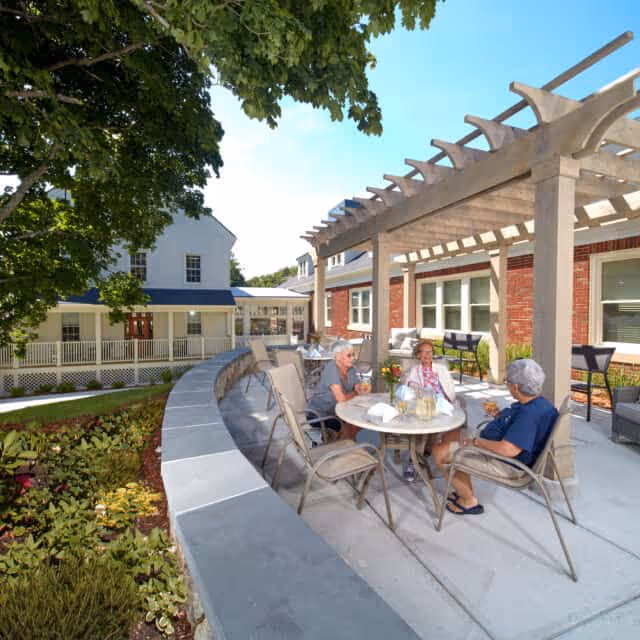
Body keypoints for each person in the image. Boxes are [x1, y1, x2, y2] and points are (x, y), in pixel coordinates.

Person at [431, 358, 558, 516]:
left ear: (516, 387)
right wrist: (498, 415)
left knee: (440, 453)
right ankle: (462, 488)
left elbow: (507, 450)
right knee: (454, 433)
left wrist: (476, 442)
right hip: (498, 448)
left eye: (507, 382)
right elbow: (518, 429)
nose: (507, 385)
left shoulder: (529, 415)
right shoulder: (539, 403)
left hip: (509, 466)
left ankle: (468, 501)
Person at [402, 339, 457, 481]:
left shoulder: (441, 369)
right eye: (423, 352)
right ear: (418, 355)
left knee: (424, 426)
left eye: (429, 352)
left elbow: (450, 390)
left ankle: (414, 461)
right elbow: (408, 387)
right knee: (418, 425)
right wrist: (416, 390)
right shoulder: (415, 370)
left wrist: (442, 400)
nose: (427, 355)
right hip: (423, 403)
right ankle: (415, 459)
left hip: (440, 403)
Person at [306, 340, 367, 440]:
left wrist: (362, 388)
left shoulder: (351, 368)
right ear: (338, 356)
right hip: (320, 415)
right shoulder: (331, 369)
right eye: (349, 355)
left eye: (353, 355)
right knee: (353, 422)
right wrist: (356, 393)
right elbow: (341, 399)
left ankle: (344, 443)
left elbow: (358, 386)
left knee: (361, 419)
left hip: (338, 410)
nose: (353, 358)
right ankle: (344, 446)